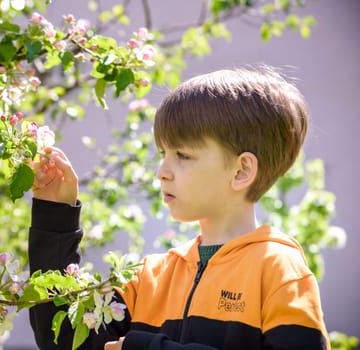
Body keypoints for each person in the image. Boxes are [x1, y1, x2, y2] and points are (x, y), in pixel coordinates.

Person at [28, 65, 330, 349]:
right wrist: (55, 212)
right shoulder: (148, 276)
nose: (162, 170)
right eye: (164, 152)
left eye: (183, 155)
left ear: (241, 171)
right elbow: (65, 339)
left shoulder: (281, 272)